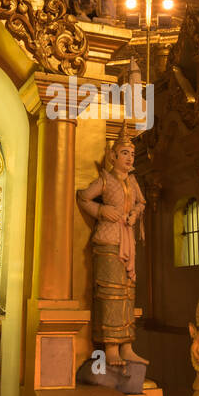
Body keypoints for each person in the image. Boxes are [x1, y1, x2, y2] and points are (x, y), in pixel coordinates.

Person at [77, 123, 147, 367]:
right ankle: (111, 347)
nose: (129, 158)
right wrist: (102, 211)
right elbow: (83, 197)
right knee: (110, 294)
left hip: (126, 240)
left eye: (132, 155)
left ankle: (127, 345)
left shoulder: (133, 182)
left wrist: (135, 215)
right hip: (107, 242)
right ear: (113, 156)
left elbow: (141, 203)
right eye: (125, 154)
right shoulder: (105, 181)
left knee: (128, 294)